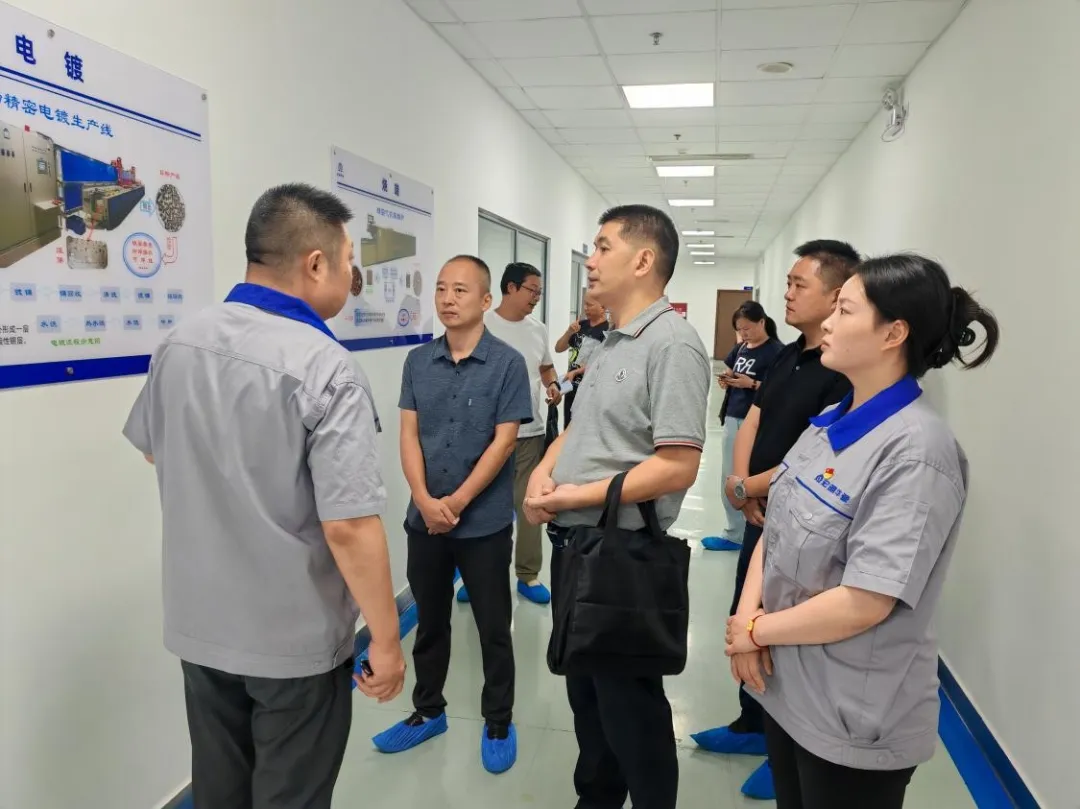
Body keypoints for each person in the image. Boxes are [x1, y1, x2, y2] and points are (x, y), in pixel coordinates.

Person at [121, 183, 406, 809]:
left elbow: (153, 449)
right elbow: (349, 526)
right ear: (316, 263)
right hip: (292, 644)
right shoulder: (327, 367)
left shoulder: (180, 342)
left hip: (200, 626)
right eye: (349, 260)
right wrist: (386, 642)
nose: (351, 275)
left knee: (219, 790)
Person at [724, 253, 999, 809]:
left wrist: (755, 630)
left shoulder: (918, 453)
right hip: (786, 686)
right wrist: (747, 619)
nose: (827, 322)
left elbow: (866, 600)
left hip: (851, 717)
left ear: (893, 333)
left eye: (844, 311)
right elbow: (776, 525)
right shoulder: (829, 422)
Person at [524, 205, 711, 809]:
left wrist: (572, 495)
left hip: (622, 557)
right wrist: (543, 475)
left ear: (643, 260)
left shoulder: (673, 345)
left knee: (631, 709)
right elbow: (578, 431)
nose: (591, 260)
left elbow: (677, 465)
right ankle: (597, 799)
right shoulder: (608, 343)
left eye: (603, 247)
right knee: (588, 700)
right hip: (577, 546)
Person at [690, 239, 861, 801]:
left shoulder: (842, 374)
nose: (786, 294)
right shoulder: (789, 355)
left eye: (797, 284)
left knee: (784, 630)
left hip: (801, 524)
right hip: (762, 514)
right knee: (746, 614)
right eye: (787, 283)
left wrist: (751, 487)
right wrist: (738, 483)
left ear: (837, 296)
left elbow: (818, 457)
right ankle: (751, 724)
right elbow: (755, 419)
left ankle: (781, 741)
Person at [371, 255, 533, 775]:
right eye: (441, 288)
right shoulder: (418, 361)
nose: (447, 298)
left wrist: (457, 503)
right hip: (425, 521)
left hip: (483, 524)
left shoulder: (508, 363)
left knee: (493, 628)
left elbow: (504, 443)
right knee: (431, 622)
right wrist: (422, 498)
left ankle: (499, 720)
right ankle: (428, 711)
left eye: (460, 290)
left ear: (486, 300)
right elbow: (408, 435)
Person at [470, 261, 561, 606]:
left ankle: (528, 574)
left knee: (530, 505)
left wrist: (553, 384)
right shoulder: (482, 325)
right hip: (487, 435)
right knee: (482, 507)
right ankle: (477, 575)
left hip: (529, 432)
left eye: (540, 292)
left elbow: (546, 366)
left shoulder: (538, 329)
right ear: (510, 288)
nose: (537, 297)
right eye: (532, 290)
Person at [703, 301, 784, 552]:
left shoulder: (776, 352)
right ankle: (735, 531)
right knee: (730, 475)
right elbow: (729, 370)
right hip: (733, 416)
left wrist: (752, 385)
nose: (744, 334)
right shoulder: (740, 349)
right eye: (739, 330)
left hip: (757, 421)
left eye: (747, 328)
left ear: (762, 322)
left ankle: (747, 532)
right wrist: (726, 380)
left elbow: (781, 390)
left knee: (750, 477)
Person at [554, 293, 609, 427]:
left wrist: (576, 372)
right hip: (570, 386)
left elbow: (602, 362)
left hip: (589, 390)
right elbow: (558, 348)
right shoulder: (580, 325)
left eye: (589, 305)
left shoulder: (608, 331)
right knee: (568, 426)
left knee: (583, 427)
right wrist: (569, 332)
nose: (585, 308)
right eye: (585, 304)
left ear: (603, 307)